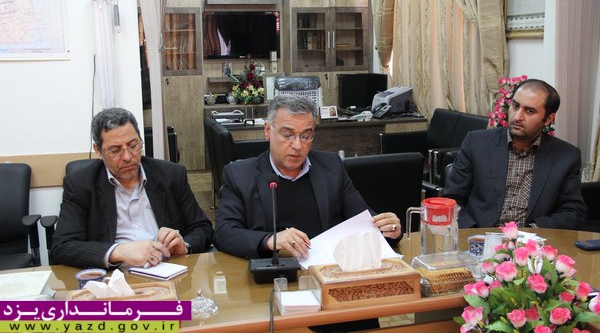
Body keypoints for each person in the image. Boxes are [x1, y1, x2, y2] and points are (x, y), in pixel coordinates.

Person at [214, 94, 402, 260]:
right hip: (271, 274)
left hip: (324, 271)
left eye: (305, 136)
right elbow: (224, 233)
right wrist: (269, 240)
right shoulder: (239, 174)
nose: (297, 145)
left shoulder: (331, 166)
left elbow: (363, 219)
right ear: (267, 131)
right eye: (287, 135)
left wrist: (389, 229)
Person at [52, 107, 214, 269]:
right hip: (114, 276)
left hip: (168, 270)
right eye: (115, 150)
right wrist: (118, 251)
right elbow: (63, 247)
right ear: (99, 151)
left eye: (133, 145)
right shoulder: (81, 184)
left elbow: (203, 228)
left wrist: (184, 245)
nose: (127, 157)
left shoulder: (171, 175)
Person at [443, 79, 586, 229]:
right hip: (478, 237)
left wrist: (533, 231)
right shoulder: (477, 143)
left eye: (530, 111)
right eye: (515, 106)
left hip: (533, 240)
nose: (517, 117)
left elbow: (573, 212)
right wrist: (475, 236)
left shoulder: (566, 156)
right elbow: (452, 200)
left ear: (549, 119)